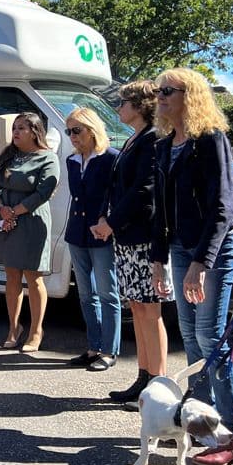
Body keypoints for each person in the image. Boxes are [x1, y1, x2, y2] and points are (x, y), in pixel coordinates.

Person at [150, 67, 233, 465]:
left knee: (210, 336)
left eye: (167, 91)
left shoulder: (211, 140)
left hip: (216, 244)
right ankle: (204, 427)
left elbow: (223, 206)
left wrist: (200, 263)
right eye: (158, 91)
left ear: (190, 95)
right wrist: (157, 260)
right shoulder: (163, 145)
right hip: (179, 245)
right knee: (191, 335)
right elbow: (160, 209)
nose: (159, 97)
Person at [91, 81, 170, 403]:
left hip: (144, 237)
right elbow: (117, 187)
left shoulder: (152, 138)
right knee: (136, 307)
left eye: (124, 102)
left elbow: (144, 189)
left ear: (140, 106)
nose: (119, 108)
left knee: (151, 310)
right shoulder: (133, 139)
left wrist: (112, 222)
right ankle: (143, 377)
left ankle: (159, 385)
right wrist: (105, 219)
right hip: (127, 236)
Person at [0, 112, 59, 353]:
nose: (15, 132)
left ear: (35, 132)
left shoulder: (47, 158)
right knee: (11, 275)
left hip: (30, 221)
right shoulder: (8, 155)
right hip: (5, 219)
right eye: (14, 128)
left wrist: (14, 211)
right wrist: (1, 207)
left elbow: (43, 192)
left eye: (21, 128)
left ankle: (36, 330)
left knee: (33, 276)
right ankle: (13, 328)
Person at [63, 107, 120, 371]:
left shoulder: (110, 158)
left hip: (101, 233)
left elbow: (116, 196)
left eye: (77, 130)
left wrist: (106, 221)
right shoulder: (72, 161)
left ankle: (109, 350)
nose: (72, 136)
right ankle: (93, 347)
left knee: (108, 293)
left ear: (92, 129)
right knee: (86, 294)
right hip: (77, 232)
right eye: (69, 131)